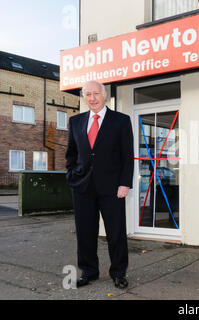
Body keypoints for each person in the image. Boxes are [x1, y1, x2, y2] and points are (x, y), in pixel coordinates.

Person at [65, 80, 134, 289]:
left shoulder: (121, 120)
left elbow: (127, 156)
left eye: (96, 93)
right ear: (84, 97)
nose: (92, 98)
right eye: (88, 94)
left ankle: (118, 273)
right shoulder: (75, 121)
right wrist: (72, 176)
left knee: (116, 233)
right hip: (83, 187)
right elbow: (71, 154)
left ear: (105, 96)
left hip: (112, 188)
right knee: (85, 232)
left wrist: (125, 183)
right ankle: (89, 271)